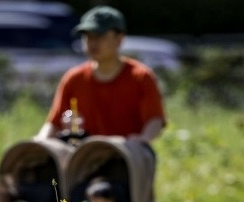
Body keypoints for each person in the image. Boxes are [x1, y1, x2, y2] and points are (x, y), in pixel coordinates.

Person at [36, 6, 166, 144]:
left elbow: (154, 120)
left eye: (100, 36)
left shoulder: (140, 77)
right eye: (88, 37)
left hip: (127, 154)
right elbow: (54, 124)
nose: (92, 42)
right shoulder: (74, 79)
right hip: (85, 156)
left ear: (119, 39)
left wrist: (143, 140)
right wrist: (38, 143)